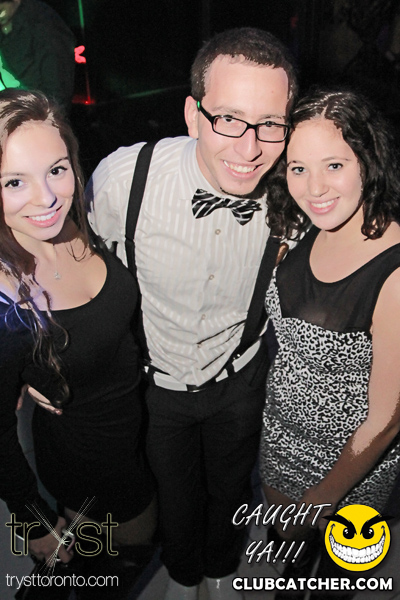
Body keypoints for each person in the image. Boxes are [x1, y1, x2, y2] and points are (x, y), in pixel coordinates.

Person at [87, 27, 298, 600]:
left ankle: (221, 570)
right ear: (192, 114)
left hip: (241, 377)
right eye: (228, 118)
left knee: (230, 487)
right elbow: (72, 262)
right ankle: (182, 576)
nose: (249, 148)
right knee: (174, 495)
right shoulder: (123, 180)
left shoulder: (297, 193)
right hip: (155, 384)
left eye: (270, 124)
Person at [0, 89, 156, 599]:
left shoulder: (72, 224)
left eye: (57, 170)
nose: (46, 197)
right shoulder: (5, 300)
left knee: (105, 559)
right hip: (87, 458)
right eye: (14, 182)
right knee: (114, 561)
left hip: (131, 431)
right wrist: (32, 520)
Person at [259, 87, 400, 596]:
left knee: (336, 581)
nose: (313, 187)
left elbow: (387, 419)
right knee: (287, 567)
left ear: (368, 161)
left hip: (353, 467)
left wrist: (320, 500)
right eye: (298, 168)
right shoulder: (304, 227)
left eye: (334, 165)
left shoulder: (394, 271)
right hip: (280, 440)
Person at [0, 0, 75, 108]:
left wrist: (49, 113)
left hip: (40, 110)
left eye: (1, 10)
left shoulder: (43, 23)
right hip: (22, 108)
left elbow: (57, 86)